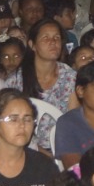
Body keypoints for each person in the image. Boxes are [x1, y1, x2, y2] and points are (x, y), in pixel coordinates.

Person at [8, 20, 78, 149]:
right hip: (24, 147)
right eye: (46, 38)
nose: (53, 42)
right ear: (32, 45)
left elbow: (72, 123)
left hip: (60, 148)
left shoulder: (70, 76)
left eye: (57, 38)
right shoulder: (17, 79)